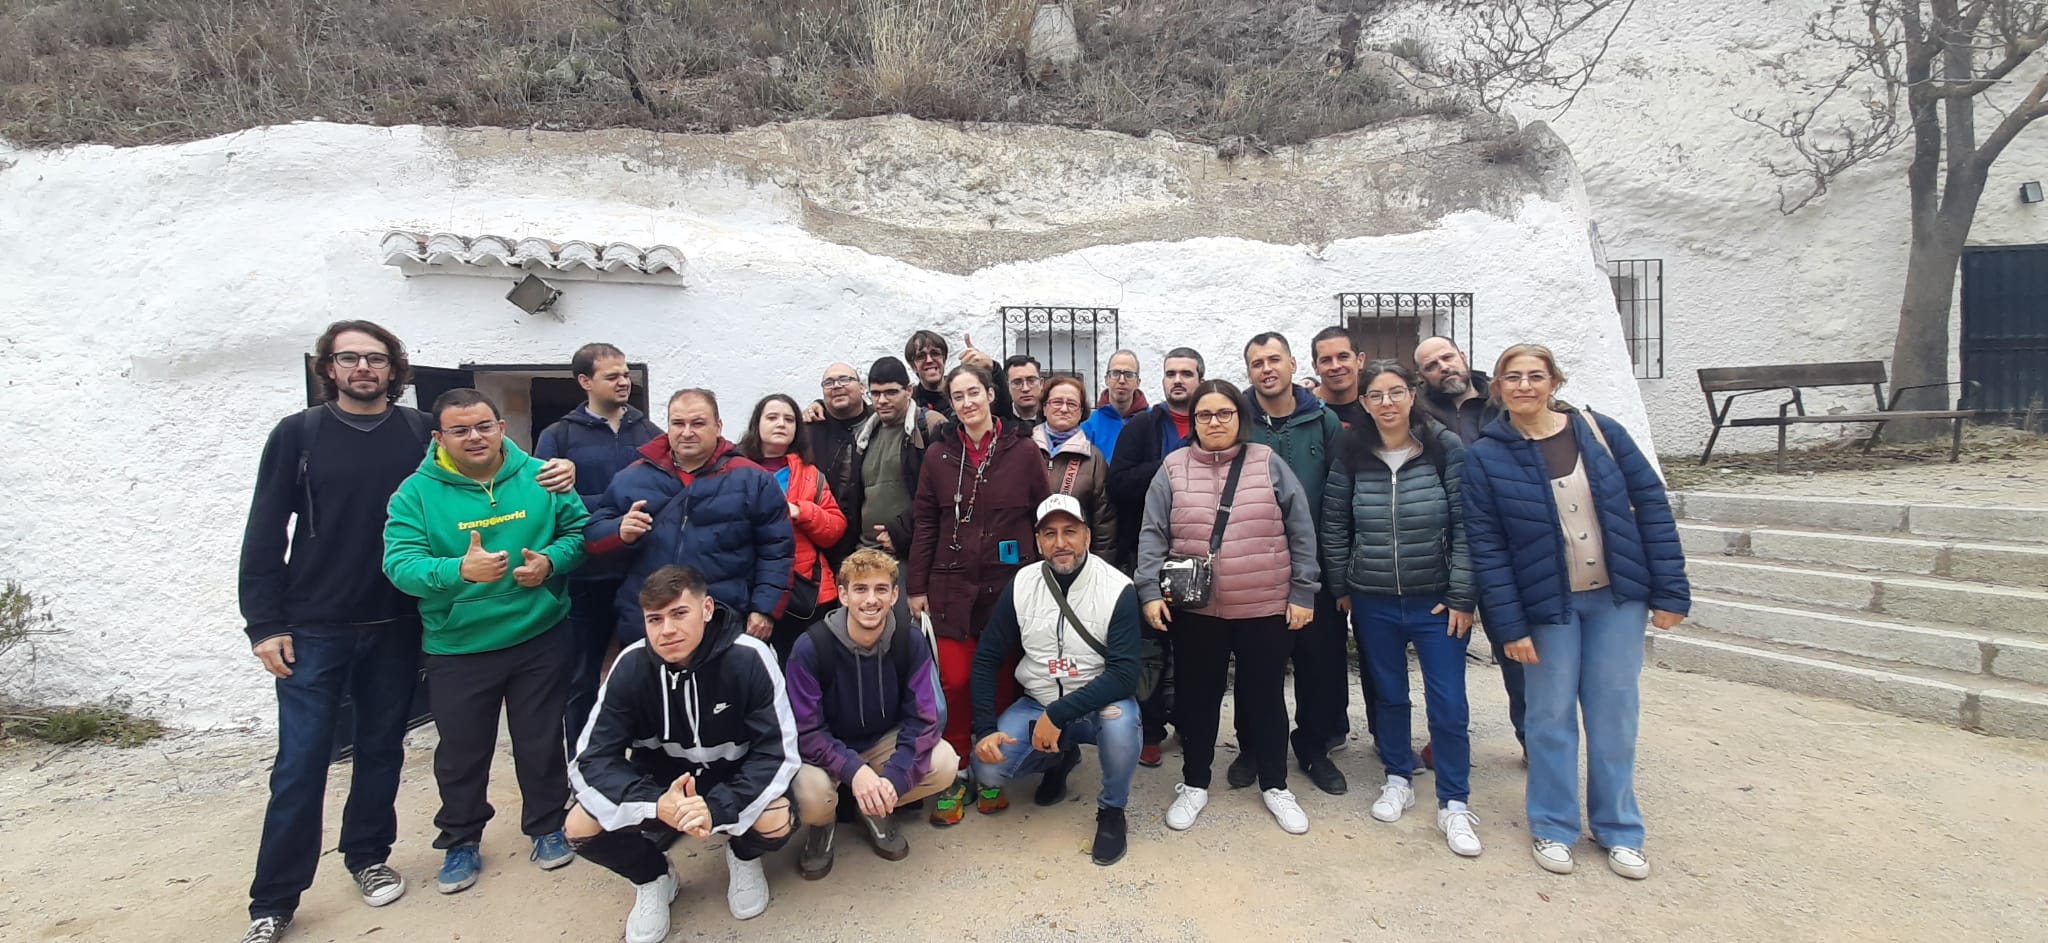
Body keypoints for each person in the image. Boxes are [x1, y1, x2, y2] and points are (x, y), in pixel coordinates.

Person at [236, 321, 574, 943]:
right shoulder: (299, 434)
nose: (363, 368)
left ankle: (367, 857)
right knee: (302, 761)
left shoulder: (425, 431)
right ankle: (275, 898)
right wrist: (264, 623)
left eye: (376, 358)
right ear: (328, 368)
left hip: (399, 622)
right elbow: (264, 531)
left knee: (381, 748)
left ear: (396, 367)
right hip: (317, 620)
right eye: (349, 358)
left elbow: (513, 467)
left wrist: (561, 470)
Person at [1460, 343, 1691, 880]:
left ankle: (1619, 830)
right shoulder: (1487, 456)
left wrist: (1671, 591)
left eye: (1534, 376)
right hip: (1547, 606)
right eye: (1511, 377)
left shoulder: (1599, 431)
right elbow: (1487, 547)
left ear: (1554, 382)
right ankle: (1553, 825)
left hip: (1617, 597)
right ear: (1497, 387)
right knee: (1549, 717)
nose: (1523, 386)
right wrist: (1509, 625)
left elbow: (1651, 505)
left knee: (1614, 715)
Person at [382, 388, 590, 895]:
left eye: (483, 426)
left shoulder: (543, 475)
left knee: (540, 740)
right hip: (459, 644)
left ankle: (545, 826)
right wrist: (458, 571)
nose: (474, 437)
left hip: (539, 632)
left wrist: (550, 563)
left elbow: (578, 532)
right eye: (460, 430)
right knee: (462, 750)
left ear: (501, 427)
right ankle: (460, 840)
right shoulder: (415, 494)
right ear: (439, 437)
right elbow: (398, 564)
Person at [566, 565, 799, 942]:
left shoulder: (750, 657)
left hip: (731, 783)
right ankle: (654, 877)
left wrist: (719, 806)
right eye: (654, 619)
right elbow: (590, 760)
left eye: (679, 614)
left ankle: (742, 855)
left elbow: (779, 754)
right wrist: (656, 803)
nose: (667, 630)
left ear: (706, 609)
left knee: (776, 818)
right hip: (661, 791)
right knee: (579, 825)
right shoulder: (630, 665)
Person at [1137, 379, 1320, 836]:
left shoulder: (1267, 463)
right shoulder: (1172, 468)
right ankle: (1195, 782)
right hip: (1197, 612)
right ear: (1193, 421)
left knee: (1265, 699)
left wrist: (1302, 592)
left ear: (1241, 418)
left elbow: (1301, 530)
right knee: (1198, 700)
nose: (1215, 422)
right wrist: (1149, 591)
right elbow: (1152, 534)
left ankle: (1276, 785)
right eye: (1205, 415)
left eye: (1224, 413)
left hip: (1265, 606)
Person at [1320, 361, 1481, 858]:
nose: (1386, 402)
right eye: (1376, 395)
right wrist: (1342, 582)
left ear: (1412, 395)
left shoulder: (1444, 449)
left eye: (1396, 392)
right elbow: (1334, 522)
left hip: (1436, 602)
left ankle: (1454, 802)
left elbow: (1466, 525)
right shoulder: (1351, 452)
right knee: (1389, 695)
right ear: (1364, 403)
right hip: (1373, 600)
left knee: (1448, 704)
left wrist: (1461, 595)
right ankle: (1396, 776)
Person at [908, 363, 1051, 824]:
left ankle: (993, 771)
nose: (968, 402)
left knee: (1005, 678)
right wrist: (915, 586)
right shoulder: (939, 455)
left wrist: (1045, 579)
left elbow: (1042, 517)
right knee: (956, 679)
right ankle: (957, 770)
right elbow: (927, 521)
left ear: (991, 395)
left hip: (1009, 586)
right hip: (949, 584)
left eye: (975, 392)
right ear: (950, 404)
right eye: (958, 396)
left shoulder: (1024, 451)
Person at [969, 495, 1143, 867]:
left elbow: (1126, 674)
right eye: (1050, 534)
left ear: (1087, 537)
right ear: (1038, 542)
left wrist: (1059, 714)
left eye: (1070, 532)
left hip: (1098, 702)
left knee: (1122, 722)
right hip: (1038, 700)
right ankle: (1059, 761)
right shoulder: (1022, 584)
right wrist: (984, 729)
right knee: (987, 768)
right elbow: (986, 659)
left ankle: (1112, 811)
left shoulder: (1117, 588)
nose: (1060, 543)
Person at [785, 549, 956, 879]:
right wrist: (855, 771)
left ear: (894, 595)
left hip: (880, 741)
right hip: (826, 750)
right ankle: (822, 827)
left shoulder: (909, 641)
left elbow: (922, 719)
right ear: (843, 594)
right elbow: (805, 732)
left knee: (944, 762)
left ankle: (877, 808)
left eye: (881, 589)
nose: (870, 600)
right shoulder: (811, 647)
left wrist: (893, 779)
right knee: (809, 794)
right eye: (860, 589)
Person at [586, 389, 795, 648]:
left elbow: (776, 550)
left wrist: (764, 609)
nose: (687, 432)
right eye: (678, 423)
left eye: (697, 423)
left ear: (718, 427)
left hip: (721, 621)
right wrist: (619, 531)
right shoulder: (633, 476)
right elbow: (592, 535)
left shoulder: (752, 479)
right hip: (648, 623)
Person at [535, 342, 664, 760]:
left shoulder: (650, 434)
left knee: (650, 674)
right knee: (582, 679)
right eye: (612, 375)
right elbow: (548, 505)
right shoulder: (559, 436)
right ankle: (585, 768)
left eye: (626, 373)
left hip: (641, 572)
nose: (624, 381)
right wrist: (608, 513)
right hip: (586, 575)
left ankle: (645, 766)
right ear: (585, 382)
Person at [1242, 332, 1350, 797]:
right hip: (1254, 566)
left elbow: (1339, 493)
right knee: (1255, 665)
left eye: (1274, 360)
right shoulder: (1239, 418)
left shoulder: (1322, 421)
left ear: (1291, 364)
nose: (1266, 369)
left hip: (1314, 566)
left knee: (1318, 663)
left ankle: (1313, 748)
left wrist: (1337, 569)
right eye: (1256, 363)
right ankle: (1253, 748)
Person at [1413, 335, 1520, 759]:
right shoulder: (1418, 411)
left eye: (1447, 357)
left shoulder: (1501, 403)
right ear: (1422, 376)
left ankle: (1533, 737)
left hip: (1505, 544)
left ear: (1463, 356)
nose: (1443, 368)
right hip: (1446, 548)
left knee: (1515, 645)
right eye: (1431, 365)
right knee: (1446, 652)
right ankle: (1448, 741)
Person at [1106, 347, 1204, 765]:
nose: (1178, 380)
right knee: (1149, 647)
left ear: (1200, 378)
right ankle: (1149, 730)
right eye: (1170, 373)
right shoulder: (1143, 427)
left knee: (1195, 647)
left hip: (1198, 554)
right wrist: (1168, 465)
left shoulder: (1213, 423)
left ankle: (1191, 723)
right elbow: (1118, 485)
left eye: (1186, 373)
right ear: (1161, 380)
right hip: (1146, 553)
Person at [738, 393, 848, 663]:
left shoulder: (811, 473)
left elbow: (835, 528)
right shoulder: (734, 468)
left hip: (803, 591)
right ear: (757, 423)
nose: (781, 424)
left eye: (789, 419)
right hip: (747, 588)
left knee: (807, 672)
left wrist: (801, 511)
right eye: (772, 417)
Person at [855, 357, 944, 559]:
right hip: (865, 551)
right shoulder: (864, 435)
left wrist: (901, 534)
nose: (882, 400)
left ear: (909, 391)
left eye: (891, 392)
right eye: (875, 393)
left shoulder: (930, 425)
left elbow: (945, 495)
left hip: (912, 554)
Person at [1032, 375, 1116, 552]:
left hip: (1075, 559)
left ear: (1081, 412)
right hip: (1030, 560)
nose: (1064, 409)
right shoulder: (1025, 449)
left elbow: (1104, 523)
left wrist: (1098, 568)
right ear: (1044, 408)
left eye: (1071, 404)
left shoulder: (1093, 459)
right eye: (1056, 402)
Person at [809, 362, 872, 569]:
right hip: (820, 549)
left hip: (872, 546)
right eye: (829, 382)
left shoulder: (882, 424)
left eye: (845, 379)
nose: (836, 386)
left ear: (862, 387)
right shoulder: (809, 431)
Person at [905, 330, 1006, 422]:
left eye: (935, 353)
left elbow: (1003, 414)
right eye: (921, 356)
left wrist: (992, 369)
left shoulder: (966, 395)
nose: (929, 360)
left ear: (944, 359)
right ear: (913, 366)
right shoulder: (909, 405)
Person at [1078, 349, 1146, 465]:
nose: (1121, 380)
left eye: (1129, 375)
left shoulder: (1151, 421)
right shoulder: (1089, 425)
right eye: (1115, 373)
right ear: (1106, 379)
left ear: (1138, 382)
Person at [1311, 326, 1369, 430]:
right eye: (1326, 360)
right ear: (1315, 367)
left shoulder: (1376, 405)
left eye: (1343, 357)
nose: (1335, 366)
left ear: (1360, 360)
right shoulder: (1303, 408)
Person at [1003, 353, 1046, 433]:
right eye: (1017, 383)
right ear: (1007, 386)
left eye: (1031, 381)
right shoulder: (999, 421)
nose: (1025, 388)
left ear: (1041, 384)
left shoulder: (1053, 417)